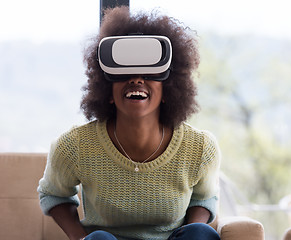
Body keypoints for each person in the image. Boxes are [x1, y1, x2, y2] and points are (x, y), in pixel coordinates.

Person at [38, 6, 221, 240]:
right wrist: (79, 237)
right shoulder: (75, 146)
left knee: (201, 233)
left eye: (149, 73)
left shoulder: (200, 146)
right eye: (124, 73)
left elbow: (204, 199)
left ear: (168, 88)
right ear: (106, 89)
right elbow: (53, 194)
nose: (136, 79)